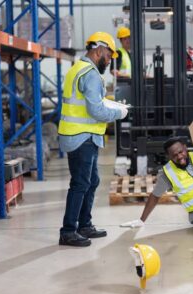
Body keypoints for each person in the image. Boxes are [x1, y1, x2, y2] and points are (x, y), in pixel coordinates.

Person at [58, 32, 129, 247]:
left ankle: (85, 225)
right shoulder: (89, 73)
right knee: (80, 183)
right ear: (98, 50)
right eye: (108, 56)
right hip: (81, 137)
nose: (109, 61)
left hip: (81, 135)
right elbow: (96, 110)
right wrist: (119, 113)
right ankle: (68, 231)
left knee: (92, 181)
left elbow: (91, 102)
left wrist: (112, 104)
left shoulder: (78, 68)